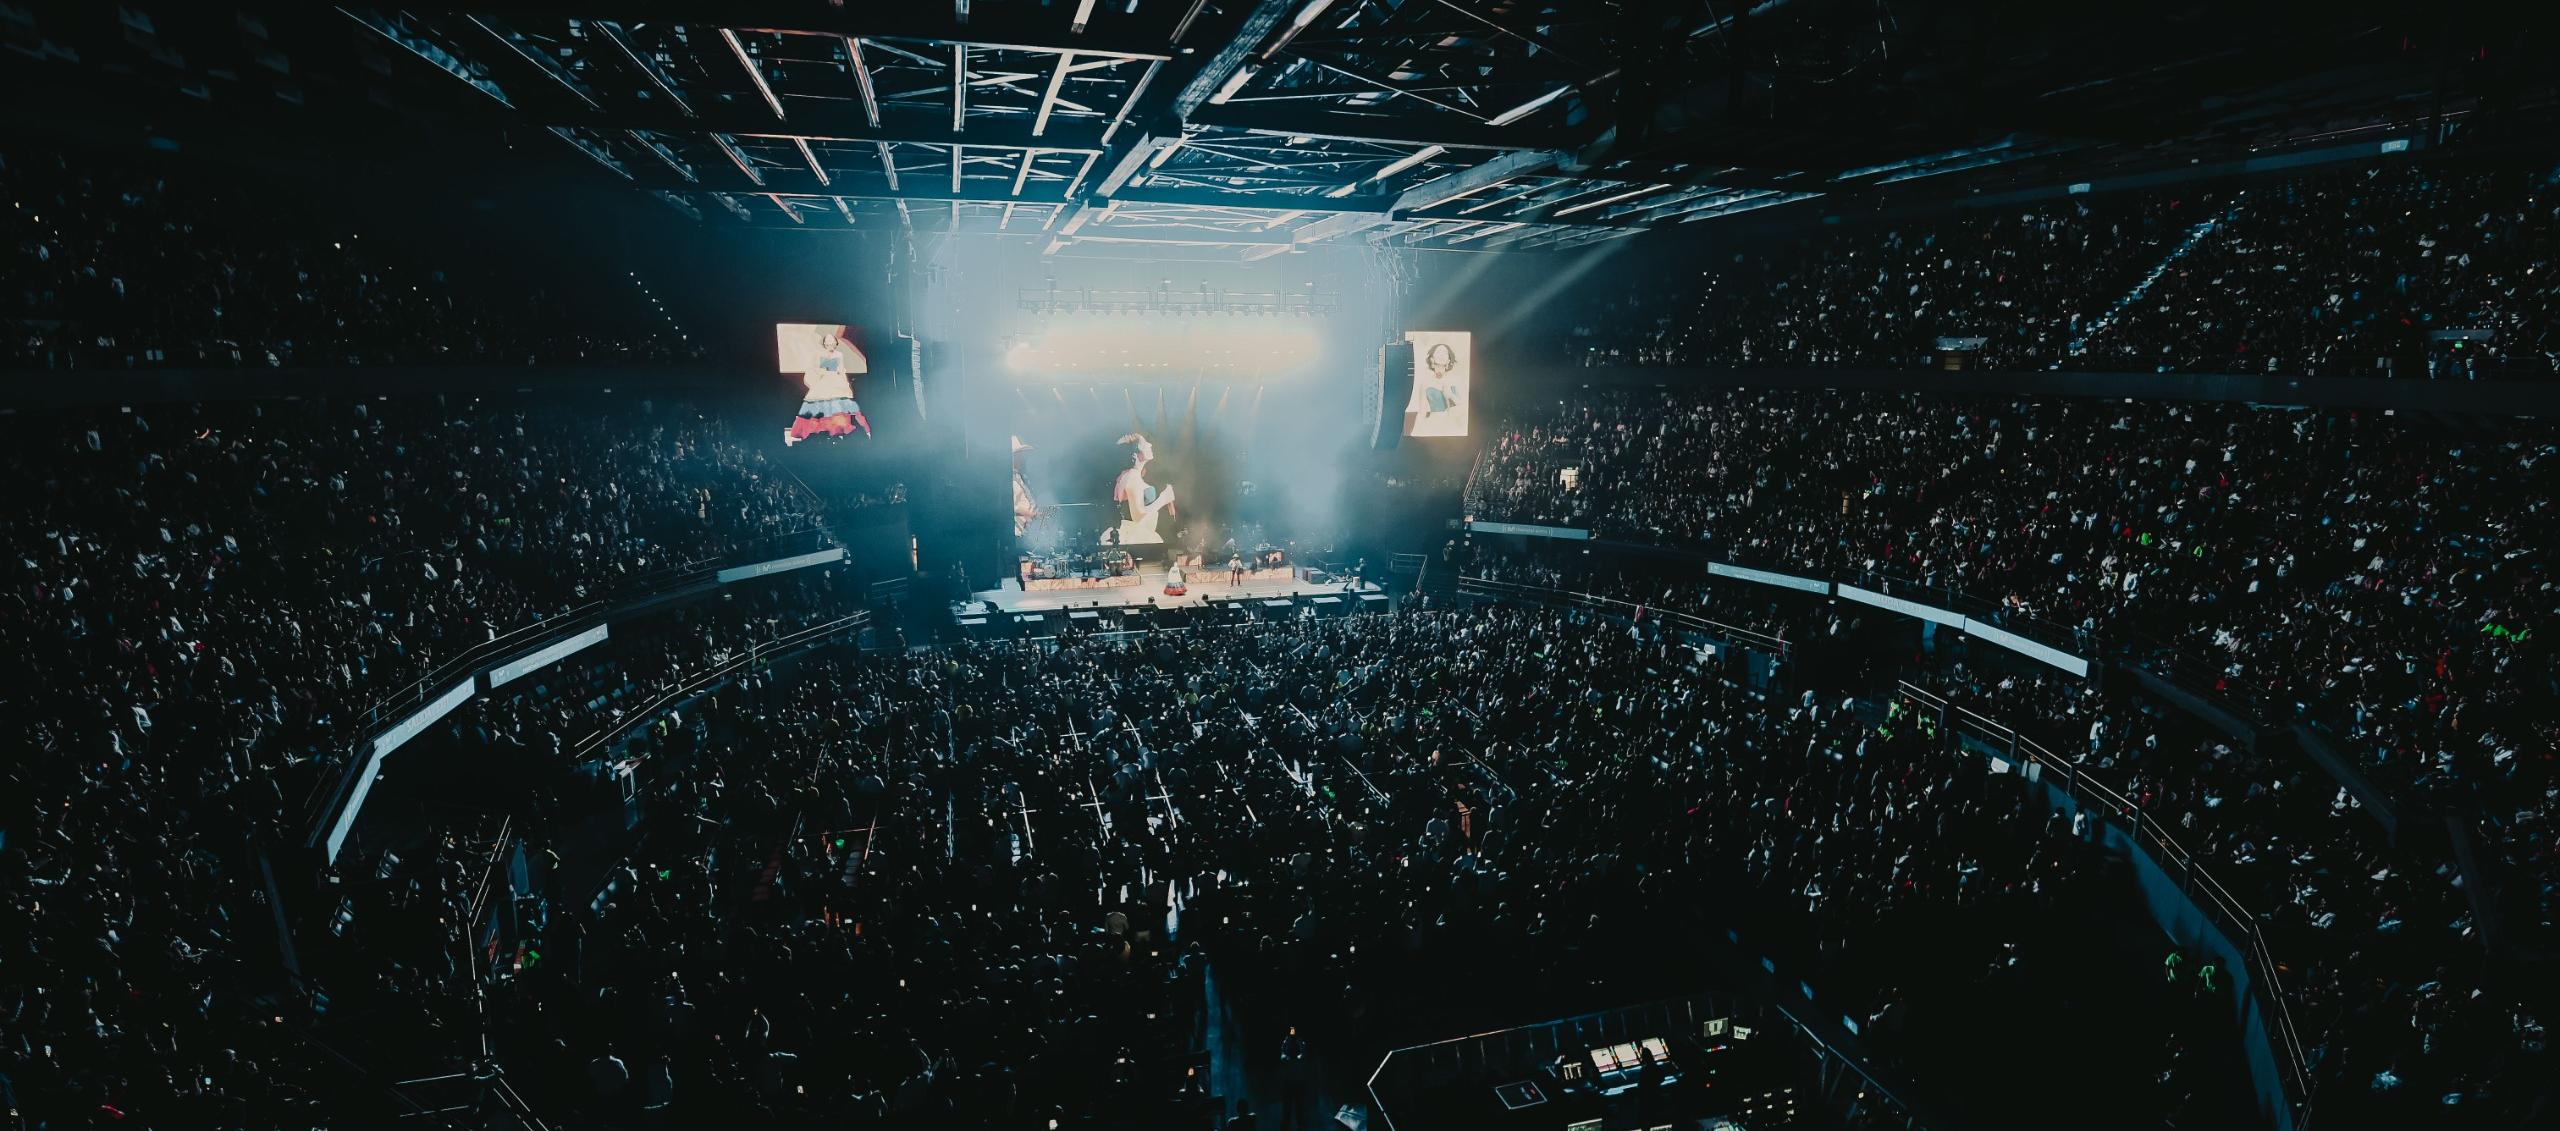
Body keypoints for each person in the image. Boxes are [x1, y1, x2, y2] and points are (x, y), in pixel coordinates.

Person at [1112, 432, 1177, 545]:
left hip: (1145, 533)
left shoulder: (1134, 476)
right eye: (1144, 444)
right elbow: (1139, 515)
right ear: (1135, 455)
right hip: (1139, 537)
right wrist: (1163, 499)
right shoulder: (1132, 476)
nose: (1149, 446)